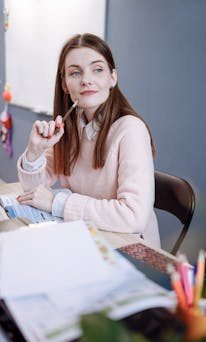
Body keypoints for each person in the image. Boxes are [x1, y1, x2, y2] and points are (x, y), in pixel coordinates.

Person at [17, 33, 160, 247]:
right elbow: (32, 192)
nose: (86, 79)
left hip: (127, 247)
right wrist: (34, 152)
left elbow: (134, 217)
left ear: (113, 77)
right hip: (84, 238)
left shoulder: (130, 130)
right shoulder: (72, 125)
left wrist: (57, 202)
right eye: (75, 72)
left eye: (98, 69)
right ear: (64, 84)